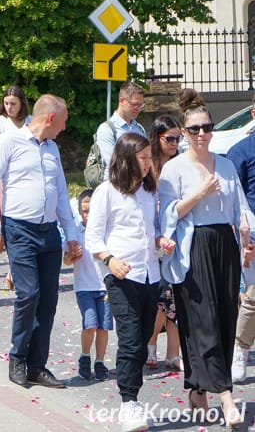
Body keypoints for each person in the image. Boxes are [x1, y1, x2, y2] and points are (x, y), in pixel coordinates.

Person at [158, 91, 254, 426]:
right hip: (192, 245)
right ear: (184, 132)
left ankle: (198, 389)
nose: (202, 134)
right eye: (195, 129)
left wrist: (246, 235)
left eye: (207, 128)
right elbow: (167, 216)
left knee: (224, 318)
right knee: (203, 320)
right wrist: (198, 193)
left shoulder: (225, 164)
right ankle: (226, 397)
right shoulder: (174, 169)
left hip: (223, 245)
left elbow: (240, 207)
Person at [0, 94, 81, 389]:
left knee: (48, 300)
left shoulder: (52, 149)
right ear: (50, 118)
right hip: (19, 230)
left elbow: (61, 193)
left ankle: (38, 366)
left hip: (48, 231)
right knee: (28, 294)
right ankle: (17, 358)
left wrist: (71, 236)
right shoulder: (9, 142)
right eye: (62, 121)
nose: (63, 127)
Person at [85, 133, 176, 432]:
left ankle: (132, 398)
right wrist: (110, 260)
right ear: (126, 159)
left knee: (144, 335)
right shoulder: (106, 192)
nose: (149, 164)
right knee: (131, 338)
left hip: (150, 273)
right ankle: (129, 402)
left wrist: (161, 240)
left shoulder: (149, 192)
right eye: (144, 158)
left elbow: (154, 229)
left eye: (150, 158)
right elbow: (93, 237)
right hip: (121, 276)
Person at [145, 114, 184, 371]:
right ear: (158, 138)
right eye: (170, 138)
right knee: (159, 299)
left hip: (176, 236)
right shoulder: (149, 166)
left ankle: (173, 353)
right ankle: (150, 346)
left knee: (175, 298)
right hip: (154, 239)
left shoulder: (181, 163)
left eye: (178, 138)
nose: (175, 143)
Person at [64, 189, 112, 382]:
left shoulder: (107, 230)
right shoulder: (75, 232)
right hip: (84, 287)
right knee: (90, 323)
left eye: (92, 210)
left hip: (105, 286)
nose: (88, 215)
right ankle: (85, 356)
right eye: (84, 211)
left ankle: (100, 361)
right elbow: (66, 261)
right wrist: (71, 256)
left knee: (103, 327)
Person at [225, 97, 255, 385]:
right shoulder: (241, 152)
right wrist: (244, 236)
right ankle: (240, 349)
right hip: (253, 234)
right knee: (254, 297)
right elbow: (237, 201)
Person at [95, 82, 147, 182]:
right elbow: (114, 163)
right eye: (135, 104)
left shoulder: (139, 129)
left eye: (141, 105)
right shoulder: (107, 129)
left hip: (137, 185)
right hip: (115, 186)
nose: (139, 108)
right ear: (121, 101)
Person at [0, 85, 31, 154]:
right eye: (6, 103)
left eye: (13, 104)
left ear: (22, 103)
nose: (9, 107)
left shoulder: (31, 120)